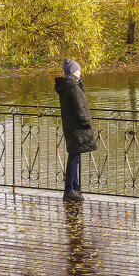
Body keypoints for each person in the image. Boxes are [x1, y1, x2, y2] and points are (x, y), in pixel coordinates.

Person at [55, 58, 97, 201]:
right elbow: (79, 109)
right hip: (77, 128)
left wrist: (79, 83)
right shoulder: (72, 87)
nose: (81, 72)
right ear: (73, 72)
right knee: (73, 159)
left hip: (72, 127)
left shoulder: (69, 86)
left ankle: (74, 187)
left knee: (75, 158)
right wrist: (87, 123)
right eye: (78, 70)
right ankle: (69, 190)